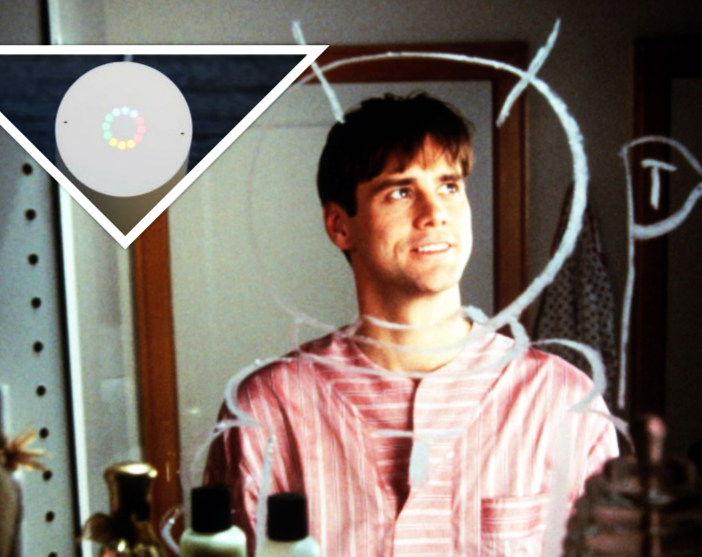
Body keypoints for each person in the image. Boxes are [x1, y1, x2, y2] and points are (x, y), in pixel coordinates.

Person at [205, 93, 618, 557]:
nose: (435, 213)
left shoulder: (563, 402)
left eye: (449, 186)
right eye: (401, 192)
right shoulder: (266, 410)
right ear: (340, 226)